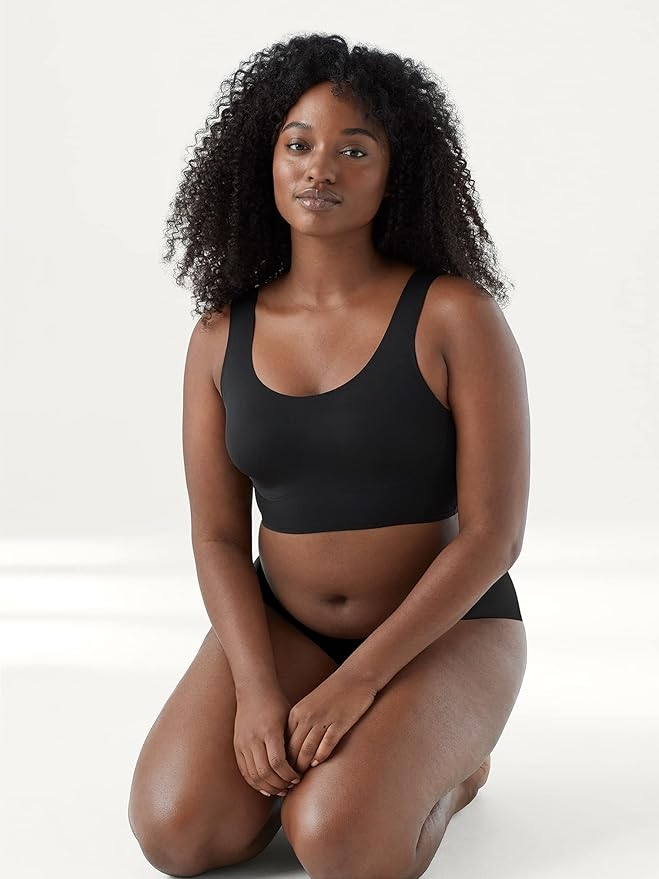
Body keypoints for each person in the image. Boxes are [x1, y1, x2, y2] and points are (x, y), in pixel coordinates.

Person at [128, 32, 529, 879]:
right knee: (177, 831)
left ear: (396, 173)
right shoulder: (216, 336)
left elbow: (491, 536)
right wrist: (256, 687)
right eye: (298, 144)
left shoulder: (454, 316)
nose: (322, 167)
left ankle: (449, 771)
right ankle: (351, 756)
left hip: (445, 631)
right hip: (288, 625)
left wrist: (359, 684)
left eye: (356, 148)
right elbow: (215, 539)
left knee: (339, 843)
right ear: (262, 161)